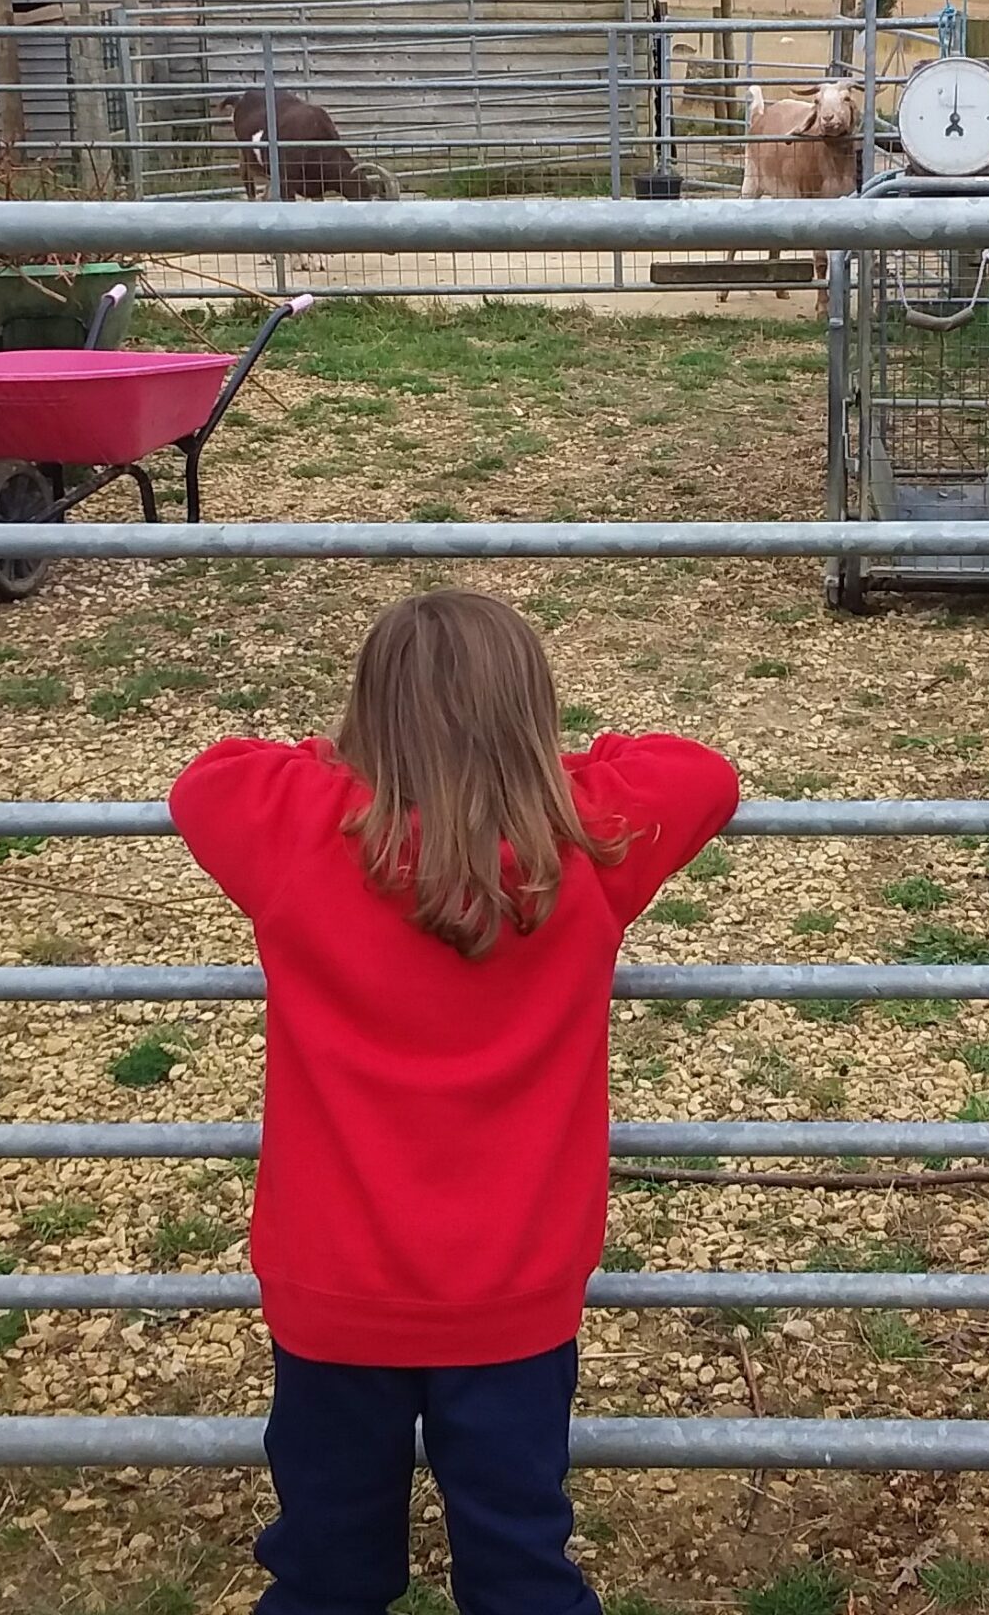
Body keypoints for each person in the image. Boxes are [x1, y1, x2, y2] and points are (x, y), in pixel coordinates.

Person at [170, 586, 739, 1615]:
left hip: (333, 1282)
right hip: (514, 1287)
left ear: (370, 716)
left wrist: (340, 770)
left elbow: (210, 778)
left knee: (325, 1570)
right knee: (521, 1559)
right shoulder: (589, 843)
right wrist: (548, 777)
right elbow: (701, 772)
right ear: (530, 712)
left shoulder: (301, 833)